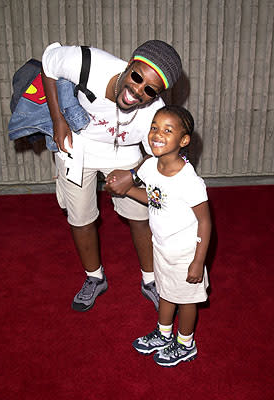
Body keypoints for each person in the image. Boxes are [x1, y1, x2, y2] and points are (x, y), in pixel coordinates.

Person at [41, 40, 182, 312]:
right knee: (81, 219)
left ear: (156, 95)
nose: (137, 91)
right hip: (78, 144)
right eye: (137, 77)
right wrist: (58, 120)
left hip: (125, 154)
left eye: (149, 90)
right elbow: (48, 64)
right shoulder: (89, 64)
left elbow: (159, 158)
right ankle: (95, 278)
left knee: (140, 218)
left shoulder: (156, 114)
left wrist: (132, 174)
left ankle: (150, 281)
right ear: (129, 65)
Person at [106, 105, 211, 367]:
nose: (157, 134)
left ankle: (186, 343)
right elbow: (155, 199)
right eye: (154, 127)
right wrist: (125, 190)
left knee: (187, 301)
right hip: (161, 247)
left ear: (183, 140)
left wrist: (198, 261)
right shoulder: (151, 166)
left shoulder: (190, 181)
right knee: (165, 293)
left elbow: (205, 221)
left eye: (167, 130)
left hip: (186, 253)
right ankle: (163, 335)